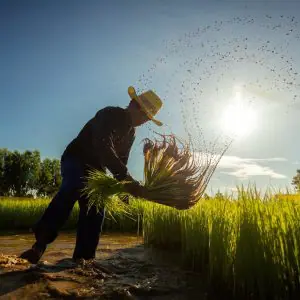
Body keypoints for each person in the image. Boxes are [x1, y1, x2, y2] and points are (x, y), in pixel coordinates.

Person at [19, 86, 163, 264]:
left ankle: (83, 260)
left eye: (148, 118)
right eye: (144, 115)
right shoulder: (110, 114)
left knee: (96, 208)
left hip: (96, 169)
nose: (144, 121)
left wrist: (124, 189)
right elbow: (104, 145)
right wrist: (127, 180)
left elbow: (121, 160)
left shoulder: (131, 134)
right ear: (133, 104)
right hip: (76, 158)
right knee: (74, 185)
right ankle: (39, 245)